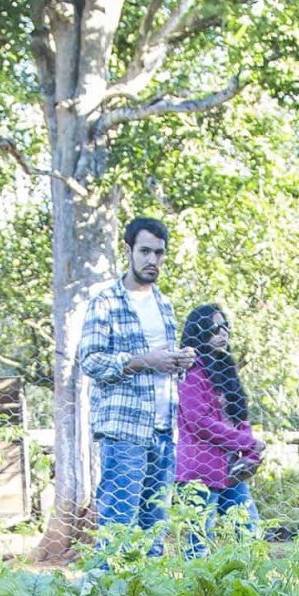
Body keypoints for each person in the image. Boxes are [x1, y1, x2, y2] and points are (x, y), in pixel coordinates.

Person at [79, 216, 193, 540]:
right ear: (128, 250)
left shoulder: (164, 305)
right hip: (125, 431)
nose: (152, 260)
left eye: (159, 253)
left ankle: (148, 592)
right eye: (145, 251)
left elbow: (164, 366)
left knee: (154, 530)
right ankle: (106, 590)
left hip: (162, 429)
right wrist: (145, 361)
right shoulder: (106, 302)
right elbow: (90, 361)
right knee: (118, 530)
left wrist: (179, 361)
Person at [173, 303, 264, 539]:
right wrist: (247, 444)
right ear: (199, 332)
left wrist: (251, 456)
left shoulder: (226, 371)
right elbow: (199, 422)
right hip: (200, 471)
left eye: (225, 328)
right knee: (200, 541)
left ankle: (250, 577)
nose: (222, 333)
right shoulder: (192, 372)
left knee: (250, 535)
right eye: (214, 329)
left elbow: (239, 417)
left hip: (232, 470)